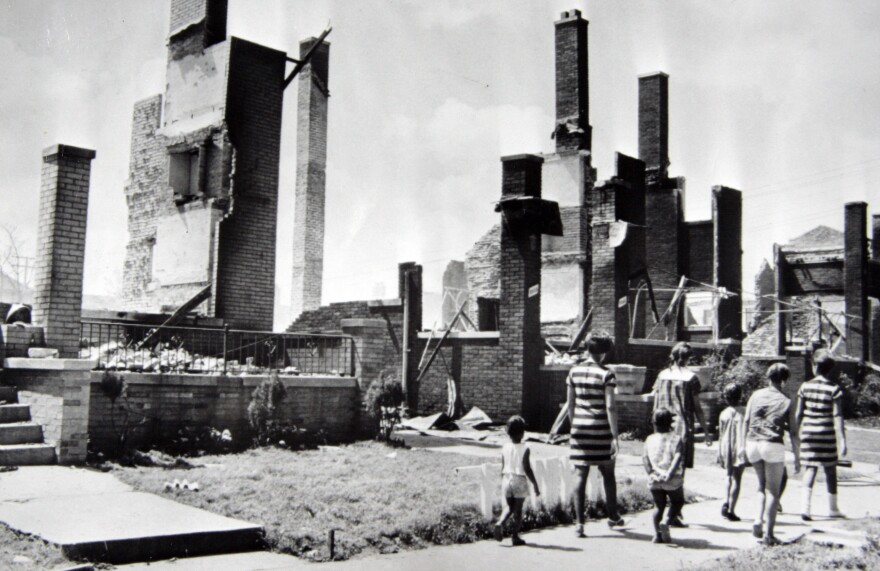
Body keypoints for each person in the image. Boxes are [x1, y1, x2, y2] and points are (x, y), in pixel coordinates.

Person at [567, 331, 624, 537]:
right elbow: (610, 406)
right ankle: (612, 516)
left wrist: (574, 426)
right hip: (600, 428)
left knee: (580, 474)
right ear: (604, 352)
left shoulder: (574, 371)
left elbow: (570, 404)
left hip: (580, 428)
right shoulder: (607, 374)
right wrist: (615, 435)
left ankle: (579, 523)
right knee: (608, 474)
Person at [652, 342, 711, 526]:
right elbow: (697, 408)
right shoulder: (691, 378)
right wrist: (706, 431)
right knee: (678, 471)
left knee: (660, 465)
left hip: (661, 426)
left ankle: (663, 509)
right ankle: (673, 514)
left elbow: (655, 400)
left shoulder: (661, 375)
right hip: (681, 428)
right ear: (687, 358)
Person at [743, 363, 800, 546]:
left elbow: (746, 421)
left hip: (753, 442)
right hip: (772, 444)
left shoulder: (755, 395)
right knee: (773, 492)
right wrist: (797, 457)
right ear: (784, 380)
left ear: (768, 376)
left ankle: (757, 520)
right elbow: (793, 431)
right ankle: (769, 535)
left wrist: (742, 446)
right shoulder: (787, 400)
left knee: (760, 486)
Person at [796, 349, 847, 521]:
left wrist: (794, 433)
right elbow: (838, 415)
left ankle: (805, 509)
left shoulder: (805, 386)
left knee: (810, 468)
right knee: (830, 470)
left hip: (809, 432)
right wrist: (842, 440)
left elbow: (799, 413)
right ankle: (833, 508)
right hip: (826, 433)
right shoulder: (834, 389)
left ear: (815, 366)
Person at [494, 415, 540, 546]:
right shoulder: (525, 448)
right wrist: (535, 484)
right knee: (518, 511)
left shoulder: (505, 447)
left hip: (506, 478)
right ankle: (515, 536)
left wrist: (502, 481)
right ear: (522, 432)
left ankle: (500, 523)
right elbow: (527, 468)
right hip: (519, 479)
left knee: (508, 507)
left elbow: (503, 467)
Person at [643, 408, 685, 544]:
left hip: (655, 478)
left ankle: (656, 535)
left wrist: (651, 473)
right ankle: (667, 521)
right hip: (672, 478)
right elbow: (677, 457)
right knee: (677, 502)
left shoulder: (649, 439)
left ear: (653, 423)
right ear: (670, 423)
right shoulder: (676, 439)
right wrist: (669, 474)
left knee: (658, 506)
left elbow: (645, 458)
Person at [717, 383, 747, 522]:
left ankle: (725, 500)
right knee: (737, 478)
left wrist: (719, 451)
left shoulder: (724, 413)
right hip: (740, 445)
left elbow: (721, 434)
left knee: (728, 475)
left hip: (726, 445)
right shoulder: (745, 412)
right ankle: (731, 510)